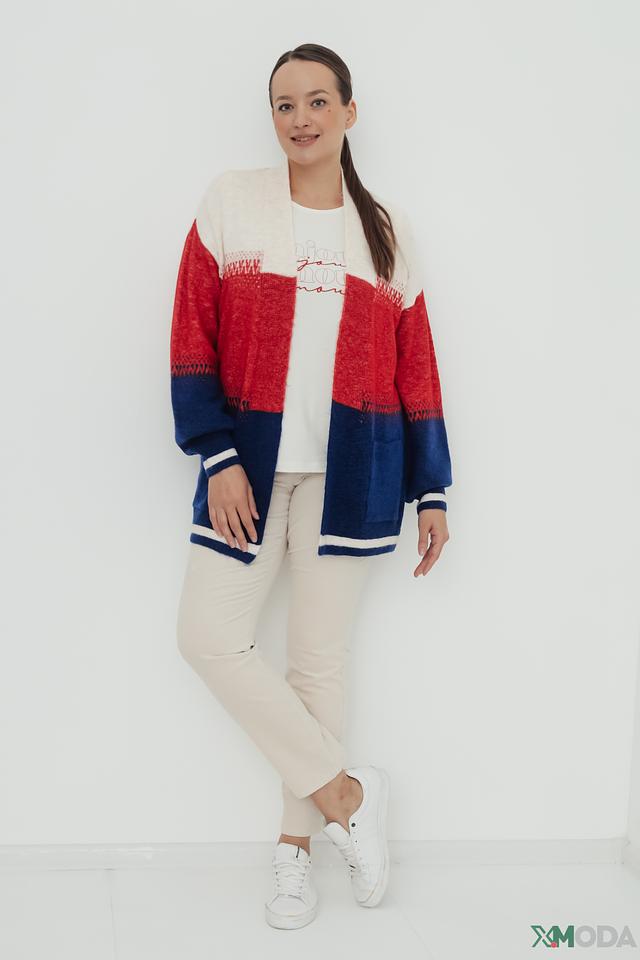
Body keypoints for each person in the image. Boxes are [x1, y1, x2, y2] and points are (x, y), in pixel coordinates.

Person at [170, 43, 453, 930]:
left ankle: (294, 854)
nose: (301, 119)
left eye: (319, 101)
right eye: (285, 104)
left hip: (355, 472)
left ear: (349, 113)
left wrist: (433, 490)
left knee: (316, 662)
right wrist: (216, 456)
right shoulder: (233, 202)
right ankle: (347, 797)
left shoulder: (387, 231)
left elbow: (415, 365)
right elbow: (191, 333)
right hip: (249, 470)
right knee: (208, 637)